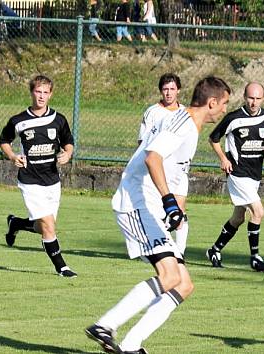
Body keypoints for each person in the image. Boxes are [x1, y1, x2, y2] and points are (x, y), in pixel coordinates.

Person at [85, 77, 231, 354]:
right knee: (169, 275)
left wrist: (175, 209)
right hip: (136, 203)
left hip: (150, 206)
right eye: (224, 104)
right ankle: (105, 324)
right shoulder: (183, 123)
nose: (224, 110)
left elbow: (171, 171)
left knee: (184, 284)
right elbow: (153, 158)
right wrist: (168, 202)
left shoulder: (190, 126)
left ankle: (130, 344)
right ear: (212, 103)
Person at [0, 75, 77, 278]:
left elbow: (68, 142)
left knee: (44, 226)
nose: (41, 96)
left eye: (45, 92)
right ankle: (62, 267)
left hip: (52, 180)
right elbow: (4, 140)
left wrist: (67, 154)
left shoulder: (58, 119)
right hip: (29, 179)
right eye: (38, 92)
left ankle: (16, 223)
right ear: (31, 92)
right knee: (49, 226)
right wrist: (12, 156)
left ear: (50, 94)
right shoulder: (19, 120)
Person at [205, 82, 264, 272]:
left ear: (263, 99)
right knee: (258, 212)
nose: (254, 102)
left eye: (257, 99)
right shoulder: (234, 118)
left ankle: (214, 250)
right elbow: (213, 138)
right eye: (250, 98)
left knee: (238, 217)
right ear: (244, 97)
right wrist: (224, 159)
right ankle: (255, 257)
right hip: (237, 173)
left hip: (254, 175)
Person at [138, 73, 190, 255]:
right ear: (161, 91)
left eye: (172, 89)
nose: (168, 93)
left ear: (178, 90)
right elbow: (143, 143)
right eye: (165, 89)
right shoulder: (152, 112)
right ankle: (153, 247)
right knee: (161, 213)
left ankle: (179, 253)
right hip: (160, 169)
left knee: (179, 211)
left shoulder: (186, 113)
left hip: (179, 170)